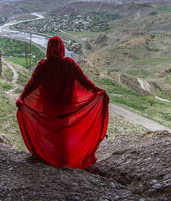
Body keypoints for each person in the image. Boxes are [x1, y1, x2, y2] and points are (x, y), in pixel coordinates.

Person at [16, 36, 109, 169]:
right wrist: (97, 91)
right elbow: (84, 82)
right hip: (67, 106)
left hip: (48, 107)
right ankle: (65, 159)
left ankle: (52, 158)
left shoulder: (43, 65)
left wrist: (22, 98)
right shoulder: (69, 64)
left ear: (48, 48)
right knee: (64, 133)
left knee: (51, 133)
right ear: (62, 48)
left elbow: (32, 85)